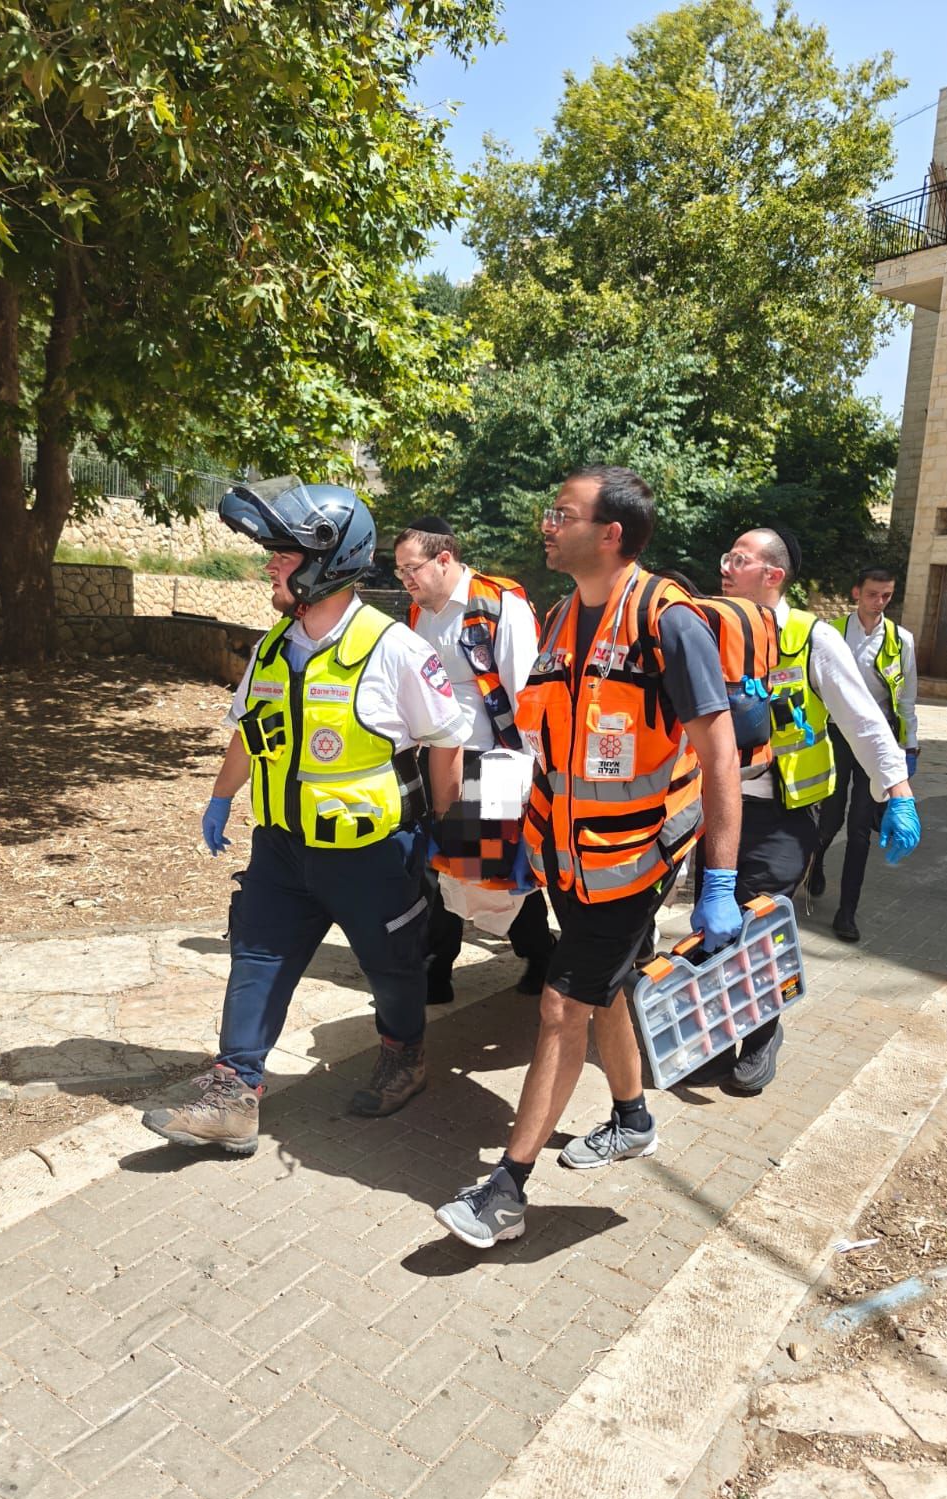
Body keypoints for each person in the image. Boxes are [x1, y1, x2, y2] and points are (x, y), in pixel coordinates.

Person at [435, 465, 745, 1248]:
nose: (546, 523)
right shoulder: (562, 616)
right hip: (567, 861)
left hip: (634, 862)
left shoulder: (669, 623)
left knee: (560, 1006)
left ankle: (506, 1190)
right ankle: (633, 1116)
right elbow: (538, 741)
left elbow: (720, 760)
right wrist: (492, 832)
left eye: (560, 513)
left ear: (609, 533)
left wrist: (722, 880)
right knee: (606, 992)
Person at [142, 481, 466, 1158]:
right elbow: (248, 732)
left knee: (394, 969)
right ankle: (234, 1095)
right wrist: (221, 797)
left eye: (282, 554)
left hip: (373, 855)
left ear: (327, 562)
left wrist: (439, 826)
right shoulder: (272, 648)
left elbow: (445, 739)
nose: (269, 565)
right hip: (283, 851)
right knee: (256, 958)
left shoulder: (395, 649)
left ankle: (404, 1056)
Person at [715, 528, 922, 1091]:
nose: (725, 567)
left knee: (757, 926)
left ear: (773, 575)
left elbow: (863, 719)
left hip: (784, 810)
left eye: (739, 558)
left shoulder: (810, 637)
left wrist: (897, 791)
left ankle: (760, 1037)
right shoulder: (711, 627)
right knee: (719, 929)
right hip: (718, 809)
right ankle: (727, 1025)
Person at [394, 515, 554, 1002]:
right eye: (400, 571)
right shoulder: (421, 612)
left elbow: (526, 690)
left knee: (490, 873)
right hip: (437, 757)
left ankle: (539, 951)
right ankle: (436, 968)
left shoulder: (499, 602)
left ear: (445, 559)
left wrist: (532, 773)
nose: (406, 580)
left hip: (494, 762)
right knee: (434, 867)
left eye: (411, 568)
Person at [809, 567, 919, 941]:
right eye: (873, 594)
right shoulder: (831, 633)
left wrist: (909, 746)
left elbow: (906, 699)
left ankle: (847, 912)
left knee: (860, 829)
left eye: (887, 595)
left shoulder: (900, 640)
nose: (879, 601)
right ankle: (817, 861)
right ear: (857, 592)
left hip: (878, 739)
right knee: (831, 818)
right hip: (838, 735)